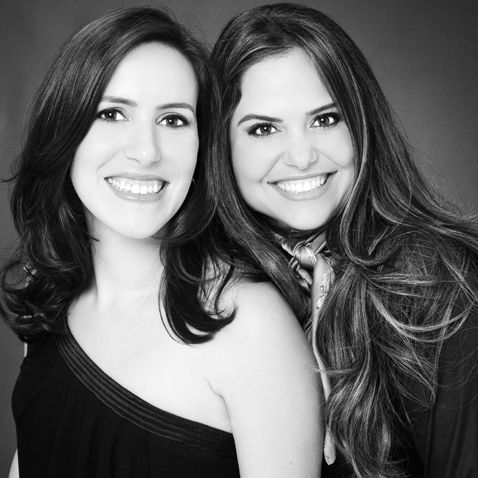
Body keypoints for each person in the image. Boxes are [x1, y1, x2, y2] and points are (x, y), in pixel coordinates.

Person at [0, 7, 322, 478]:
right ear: (64, 131)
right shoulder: (51, 295)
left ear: (202, 145)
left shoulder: (251, 327)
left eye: (173, 120)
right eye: (112, 114)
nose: (146, 151)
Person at [211, 3, 478, 477]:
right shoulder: (208, 286)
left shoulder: (434, 282)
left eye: (325, 119)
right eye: (264, 129)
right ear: (221, 147)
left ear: (361, 123)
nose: (301, 156)